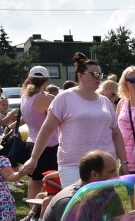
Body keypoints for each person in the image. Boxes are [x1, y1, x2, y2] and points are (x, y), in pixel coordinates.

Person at [21, 53, 128, 186]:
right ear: (80, 75)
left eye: (100, 74)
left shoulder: (105, 102)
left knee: (107, 205)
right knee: (78, 205)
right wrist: (33, 158)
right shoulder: (64, 98)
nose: (98, 78)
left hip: (105, 167)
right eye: (94, 74)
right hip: (73, 166)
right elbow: (47, 130)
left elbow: (116, 133)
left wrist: (124, 162)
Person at [19, 66, 59, 221]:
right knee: (51, 180)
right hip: (48, 145)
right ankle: (43, 212)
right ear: (47, 80)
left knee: (34, 181)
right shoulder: (44, 98)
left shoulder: (25, 96)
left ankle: (32, 212)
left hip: (31, 142)